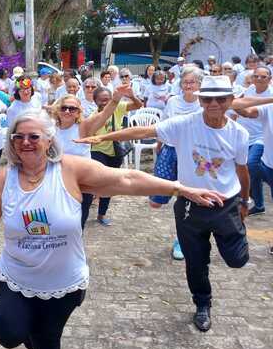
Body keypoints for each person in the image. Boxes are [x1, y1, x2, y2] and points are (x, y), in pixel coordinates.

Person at [0, 110, 223, 349]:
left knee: (48, 339)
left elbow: (126, 178)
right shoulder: (6, 177)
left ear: (49, 140)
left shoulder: (69, 170)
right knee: (7, 333)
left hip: (63, 282)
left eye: (34, 136)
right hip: (18, 277)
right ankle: (30, 332)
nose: (25, 142)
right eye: (18, 137)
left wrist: (179, 188)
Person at [77, 75, 251, 332]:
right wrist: (103, 138)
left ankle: (233, 240)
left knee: (237, 260)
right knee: (196, 261)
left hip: (226, 204)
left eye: (220, 98)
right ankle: (203, 304)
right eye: (208, 98)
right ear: (201, 100)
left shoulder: (239, 133)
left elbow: (242, 169)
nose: (214, 103)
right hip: (191, 201)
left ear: (230, 101)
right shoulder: (185, 124)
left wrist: (245, 201)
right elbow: (143, 131)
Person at [51, 84, 136, 227]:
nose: (67, 111)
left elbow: (105, 114)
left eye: (72, 108)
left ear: (78, 112)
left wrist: (115, 100)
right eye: (63, 107)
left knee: (78, 223)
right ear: (58, 110)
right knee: (56, 221)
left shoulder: (83, 127)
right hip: (57, 181)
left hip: (81, 183)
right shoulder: (50, 129)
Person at [148, 66, 203, 260]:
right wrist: (159, 144)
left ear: (199, 84)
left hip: (192, 154)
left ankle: (182, 239)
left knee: (185, 199)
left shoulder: (204, 103)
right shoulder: (173, 102)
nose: (188, 85)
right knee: (156, 201)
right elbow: (163, 124)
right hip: (170, 151)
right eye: (185, 82)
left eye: (192, 82)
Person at [84, 85, 143, 226]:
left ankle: (101, 214)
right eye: (101, 100)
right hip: (97, 151)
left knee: (109, 184)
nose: (105, 102)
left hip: (116, 151)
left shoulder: (118, 107)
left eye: (107, 99)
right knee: (94, 183)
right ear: (95, 101)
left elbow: (138, 105)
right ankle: (85, 210)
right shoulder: (93, 116)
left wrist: (131, 95)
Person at [235, 66, 272, 216]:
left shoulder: (270, 94)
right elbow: (241, 107)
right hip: (245, 136)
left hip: (261, 138)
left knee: (251, 165)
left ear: (269, 79)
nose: (259, 79)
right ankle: (258, 203)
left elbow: (250, 112)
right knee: (247, 168)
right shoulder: (250, 89)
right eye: (256, 76)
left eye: (263, 77)